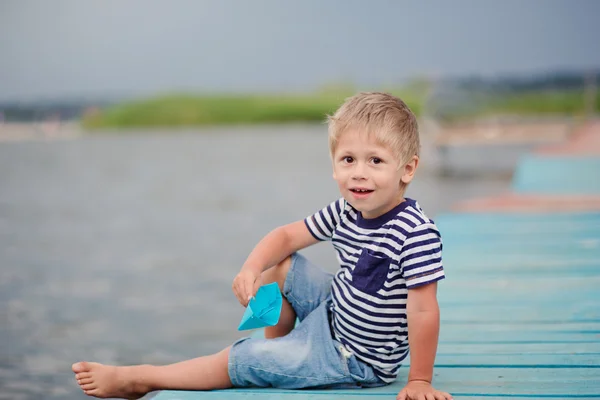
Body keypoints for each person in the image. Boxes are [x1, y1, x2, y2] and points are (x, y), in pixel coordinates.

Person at [72, 92, 452, 400]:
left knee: (249, 357)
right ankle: (284, 349)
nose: (359, 172)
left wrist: (419, 379)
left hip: (354, 359)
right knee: (280, 265)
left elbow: (422, 311)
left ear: (407, 169)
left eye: (376, 161)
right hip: (336, 316)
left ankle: (144, 378)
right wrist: (250, 269)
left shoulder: (414, 233)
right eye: (348, 159)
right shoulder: (346, 209)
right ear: (334, 166)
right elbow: (285, 237)